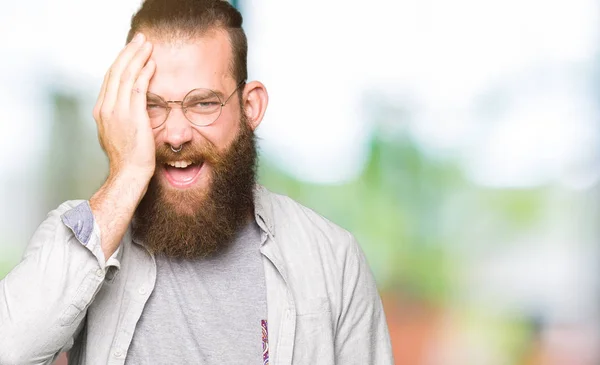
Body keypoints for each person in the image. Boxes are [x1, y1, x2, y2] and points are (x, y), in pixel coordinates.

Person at [0, 0, 394, 364]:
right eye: (152, 105)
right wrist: (127, 174)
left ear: (250, 106)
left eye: (203, 103)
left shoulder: (332, 259)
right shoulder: (84, 234)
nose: (175, 134)